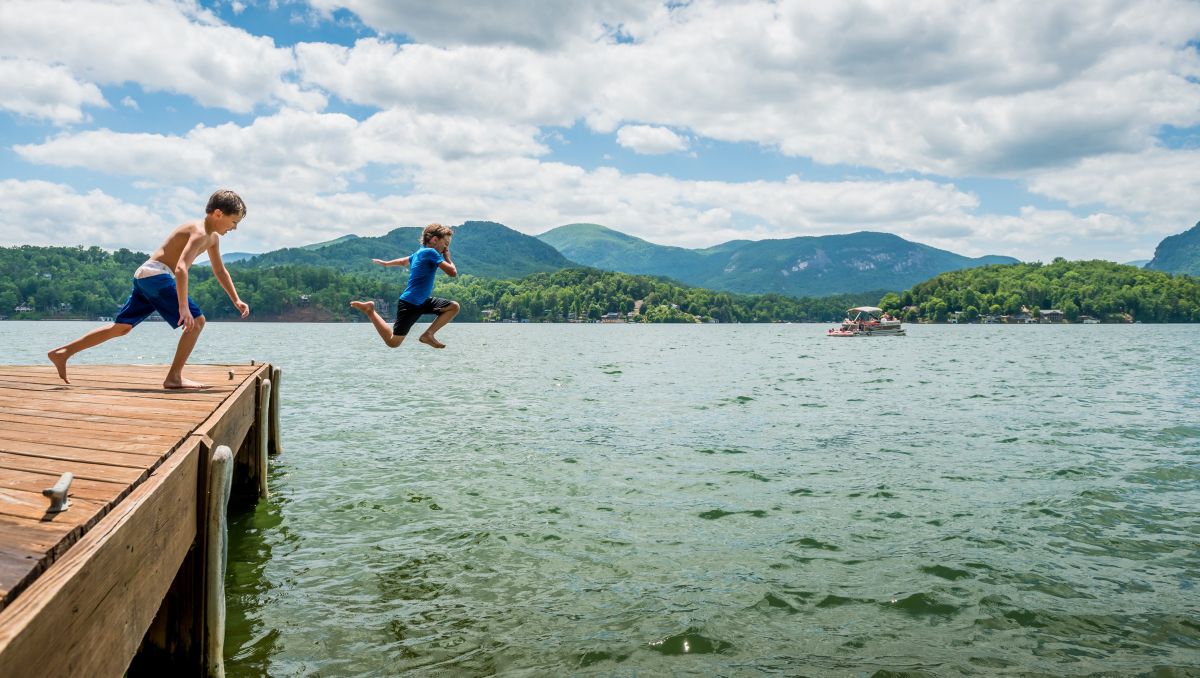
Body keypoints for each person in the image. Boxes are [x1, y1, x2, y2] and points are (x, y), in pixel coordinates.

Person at [47, 189, 250, 389]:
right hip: (156, 275)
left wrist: (236, 299)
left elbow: (220, 270)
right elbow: (181, 268)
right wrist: (183, 307)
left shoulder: (212, 238)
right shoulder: (199, 232)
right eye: (234, 222)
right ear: (218, 214)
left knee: (121, 327)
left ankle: (63, 352)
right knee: (197, 321)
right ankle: (174, 378)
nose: (234, 228)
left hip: (146, 275)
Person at [350, 223, 460, 349]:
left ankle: (428, 334)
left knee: (453, 307)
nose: (446, 248)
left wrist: (386, 264)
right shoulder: (431, 252)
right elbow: (452, 273)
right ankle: (370, 310)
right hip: (410, 303)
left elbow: (403, 262)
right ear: (434, 240)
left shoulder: (419, 253)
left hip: (422, 301)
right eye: (446, 243)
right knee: (393, 342)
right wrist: (448, 258)